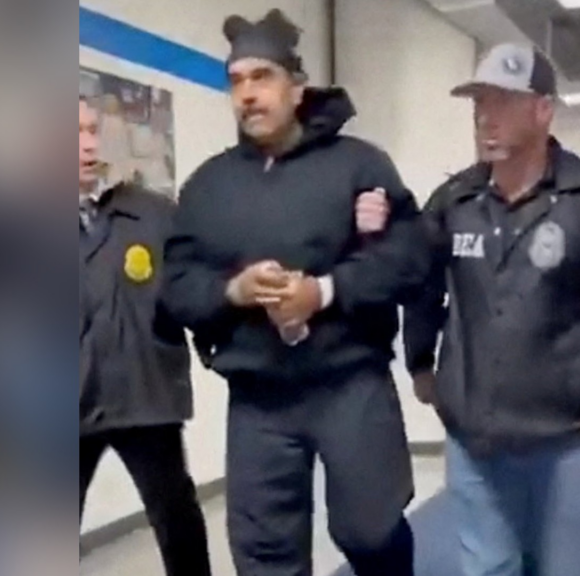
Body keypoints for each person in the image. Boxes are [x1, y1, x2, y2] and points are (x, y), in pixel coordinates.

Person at [163, 9, 426, 576]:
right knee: (265, 551)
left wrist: (324, 291)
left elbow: (409, 258)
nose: (247, 94)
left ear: (297, 88)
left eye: (262, 77)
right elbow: (177, 285)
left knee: (371, 529)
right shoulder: (207, 187)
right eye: (236, 81)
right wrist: (232, 290)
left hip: (349, 381)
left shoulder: (358, 165)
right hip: (258, 396)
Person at [402, 44, 580, 576]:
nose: (486, 117)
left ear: (543, 110)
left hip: (572, 440)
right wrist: (420, 362)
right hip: (476, 440)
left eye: (504, 102)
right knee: (488, 568)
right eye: (480, 103)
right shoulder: (454, 201)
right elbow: (421, 286)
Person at [78, 96, 211, 576]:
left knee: (176, 518)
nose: (88, 145)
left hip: (144, 391)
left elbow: (197, 284)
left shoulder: (151, 213)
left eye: (92, 130)